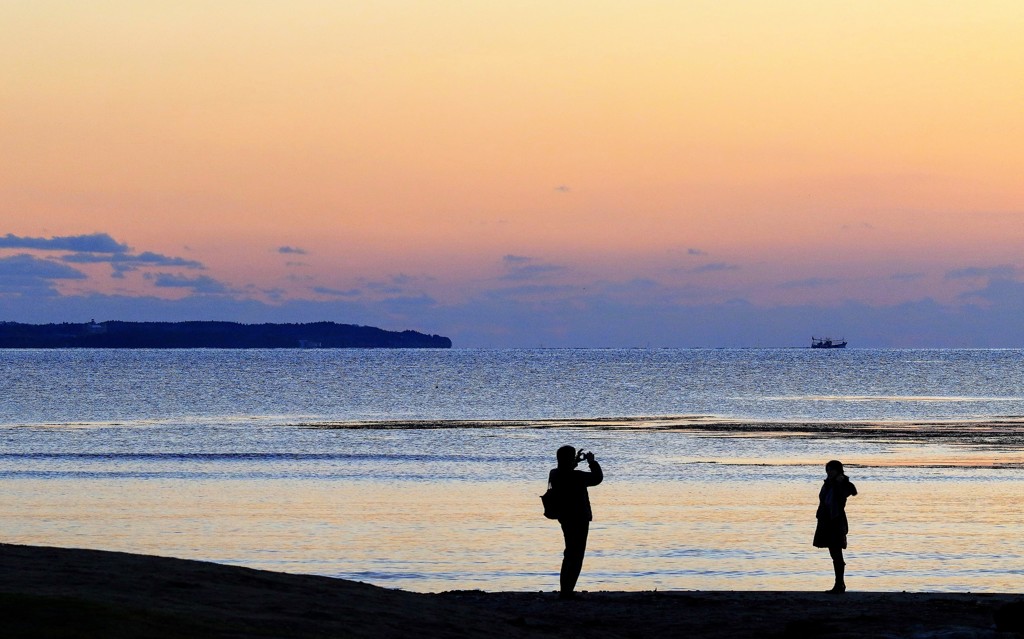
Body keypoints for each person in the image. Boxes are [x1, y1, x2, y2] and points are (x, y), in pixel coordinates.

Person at [548, 445, 603, 599]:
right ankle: (567, 592)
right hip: (579, 518)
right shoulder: (577, 477)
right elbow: (597, 478)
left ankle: (565, 589)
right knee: (576, 555)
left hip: (565, 517)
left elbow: (565, 469)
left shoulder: (554, 474)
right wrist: (592, 462)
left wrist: (576, 461)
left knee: (569, 553)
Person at [813, 459, 858, 593]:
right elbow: (823, 500)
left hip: (836, 520)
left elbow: (848, 492)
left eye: (832, 470)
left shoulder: (842, 483)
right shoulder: (828, 483)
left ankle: (840, 584)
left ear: (838, 470)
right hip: (826, 520)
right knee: (834, 553)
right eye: (828, 470)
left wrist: (839, 482)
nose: (829, 472)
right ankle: (839, 584)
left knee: (836, 552)